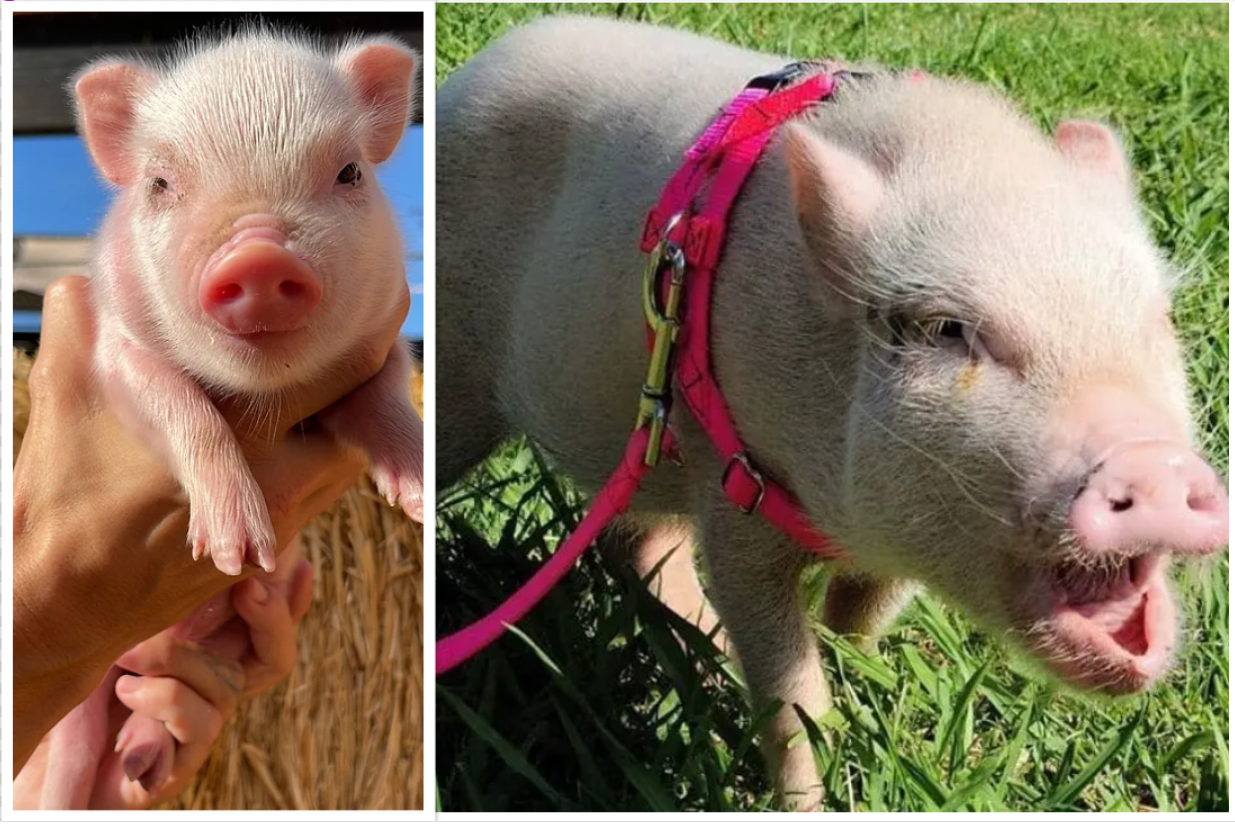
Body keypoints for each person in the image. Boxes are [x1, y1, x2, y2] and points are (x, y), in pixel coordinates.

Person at [13, 276, 407, 807]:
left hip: (214, 609)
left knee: (80, 741)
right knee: (75, 741)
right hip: (203, 597)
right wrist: (41, 636)